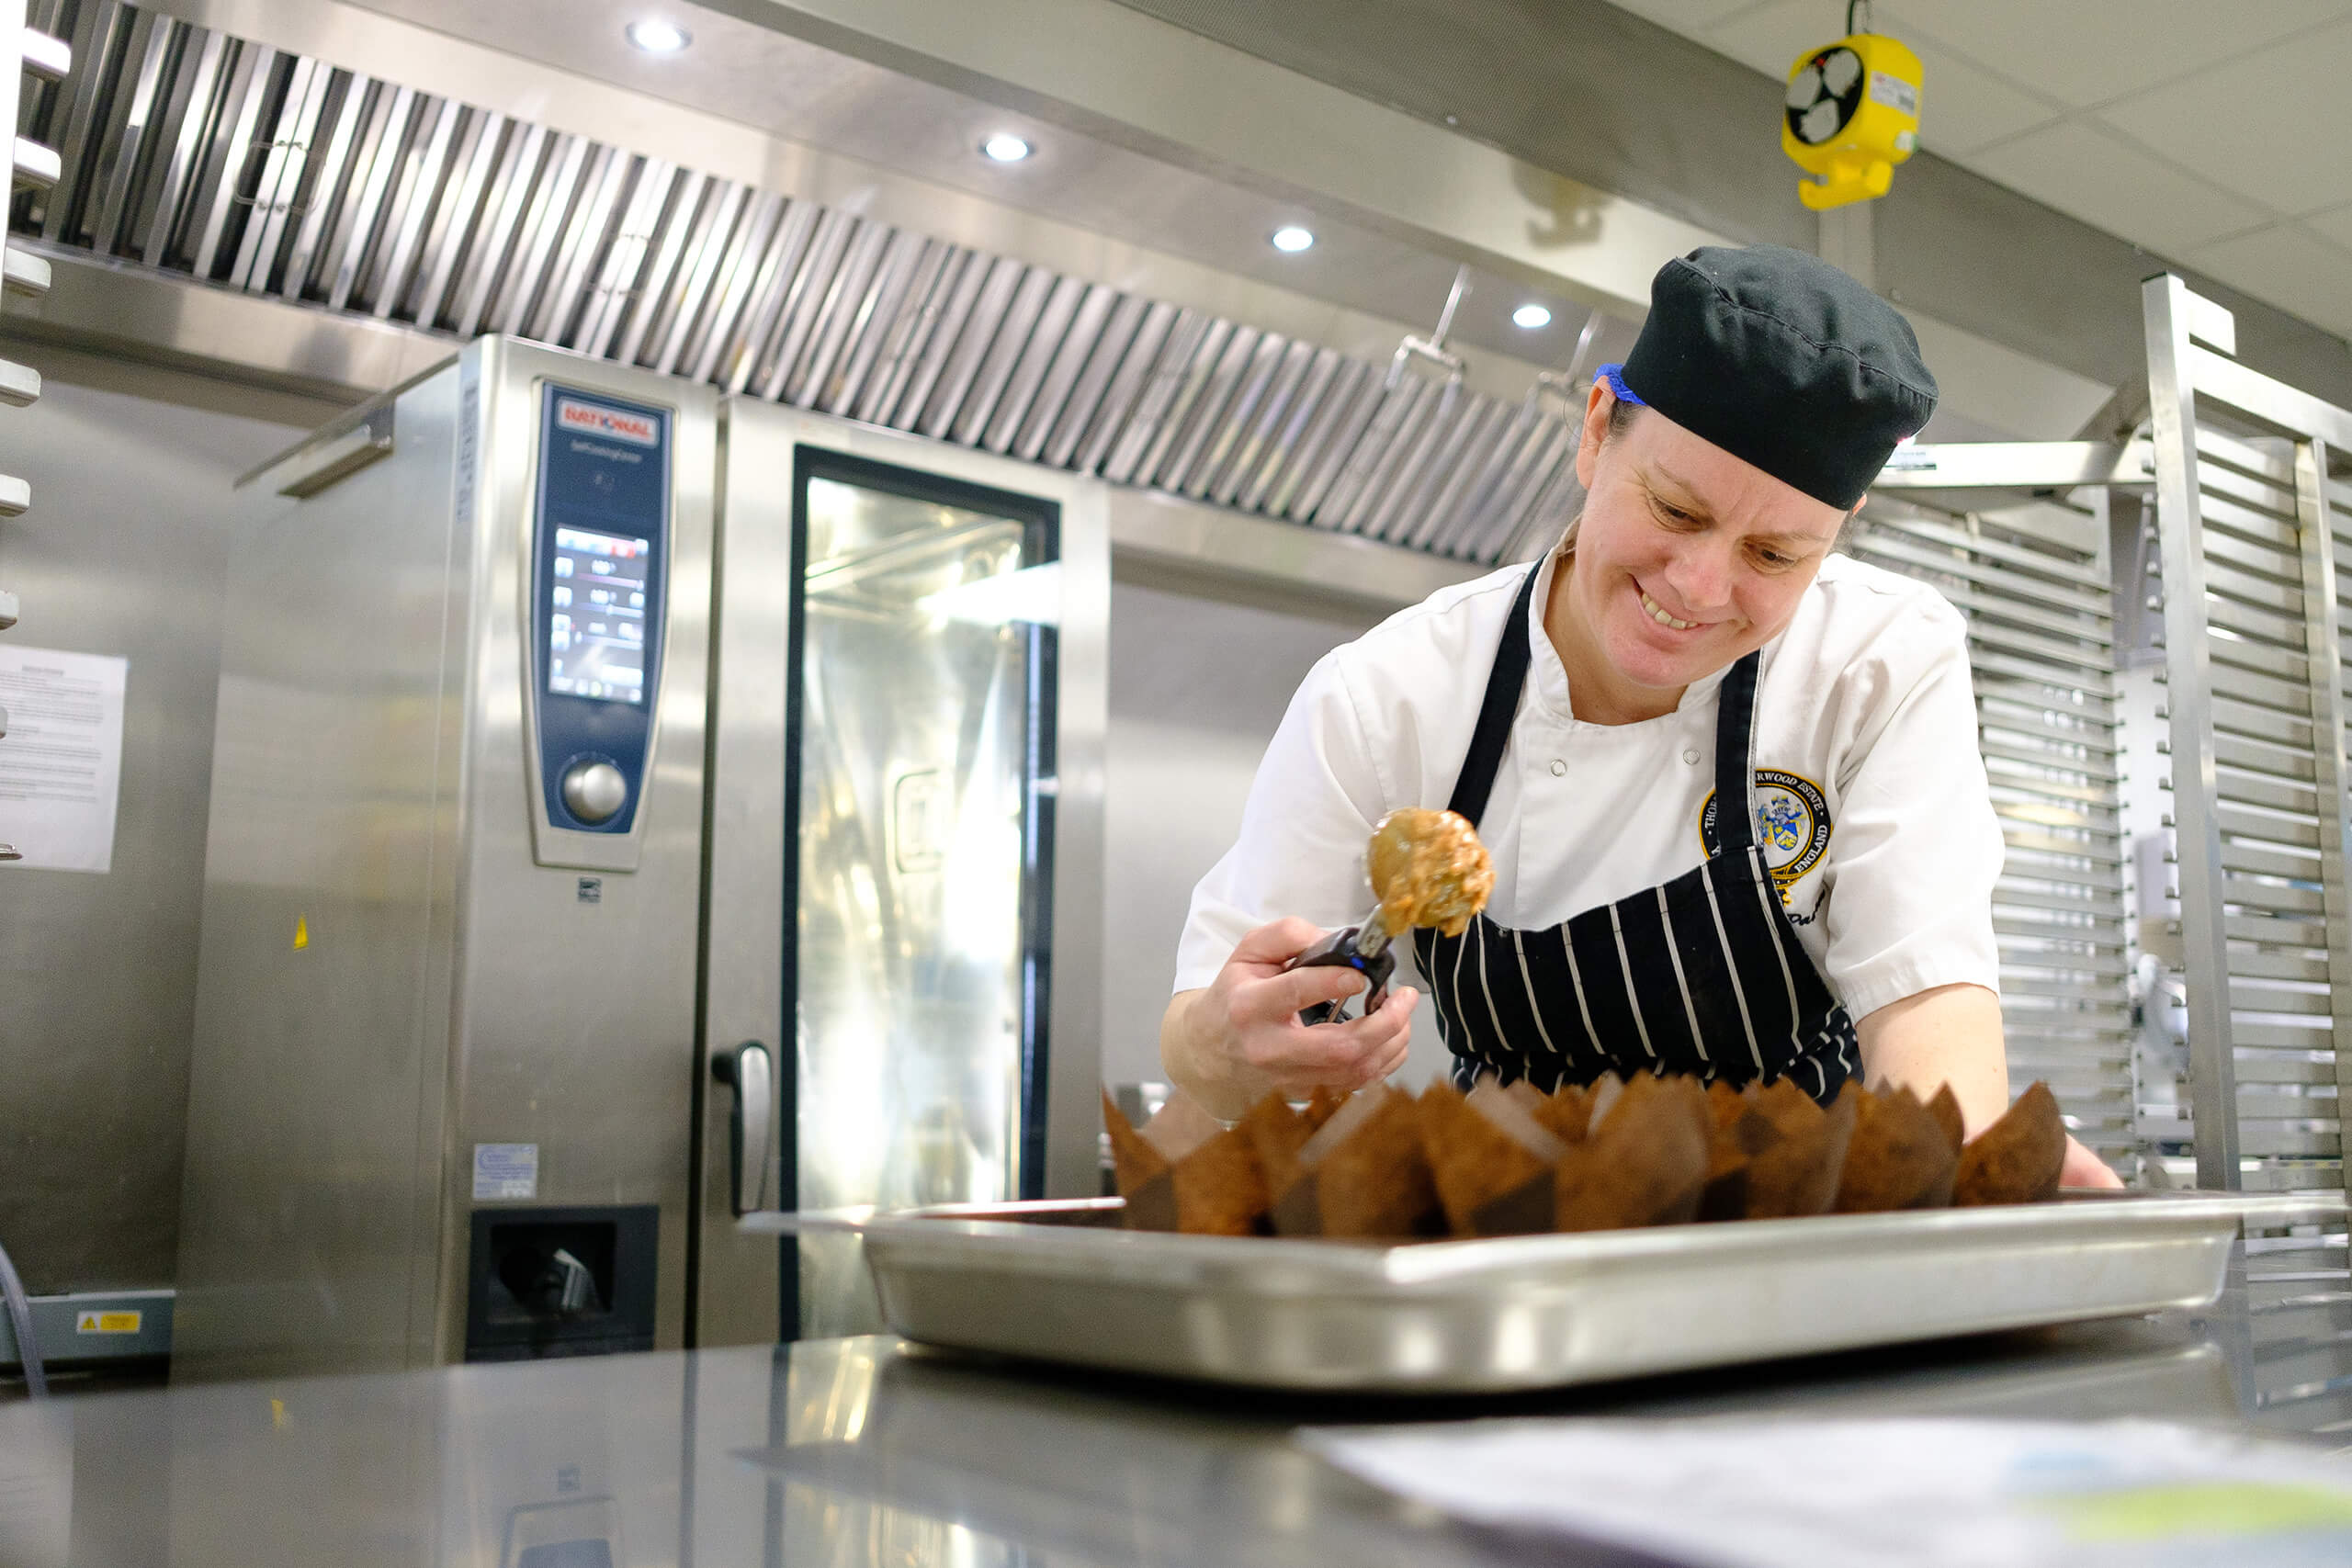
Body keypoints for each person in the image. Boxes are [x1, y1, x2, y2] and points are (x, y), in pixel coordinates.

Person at [1159, 243, 2120, 1189]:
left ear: (1841, 527)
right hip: (1516, 1251)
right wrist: (1219, 1050)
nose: (1700, 588)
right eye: (1674, 510)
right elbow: (1215, 1038)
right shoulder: (1389, 698)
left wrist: (1959, 1184)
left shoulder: (1875, 661)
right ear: (1594, 432)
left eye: (1775, 557)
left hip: (1800, 1250)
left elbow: (1927, 1006)